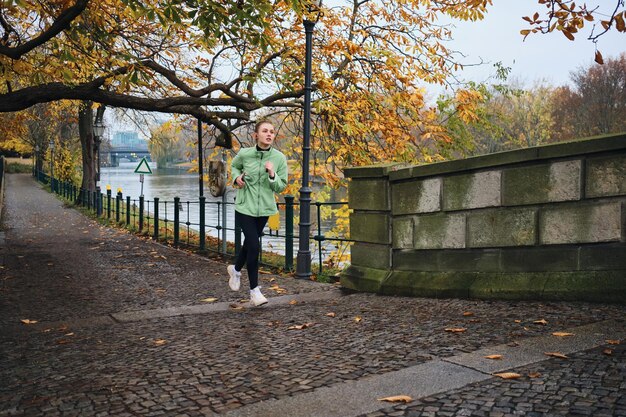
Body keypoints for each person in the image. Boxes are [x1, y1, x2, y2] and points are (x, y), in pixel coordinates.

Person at [227, 121, 288, 306]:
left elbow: (281, 185)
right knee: (254, 245)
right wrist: (236, 178)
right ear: (256, 135)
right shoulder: (245, 154)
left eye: (271, 131)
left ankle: (236, 270)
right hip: (245, 207)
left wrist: (272, 174)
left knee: (249, 244)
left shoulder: (279, 158)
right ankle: (254, 291)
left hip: (265, 209)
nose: (269, 134)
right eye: (265, 131)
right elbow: (234, 167)